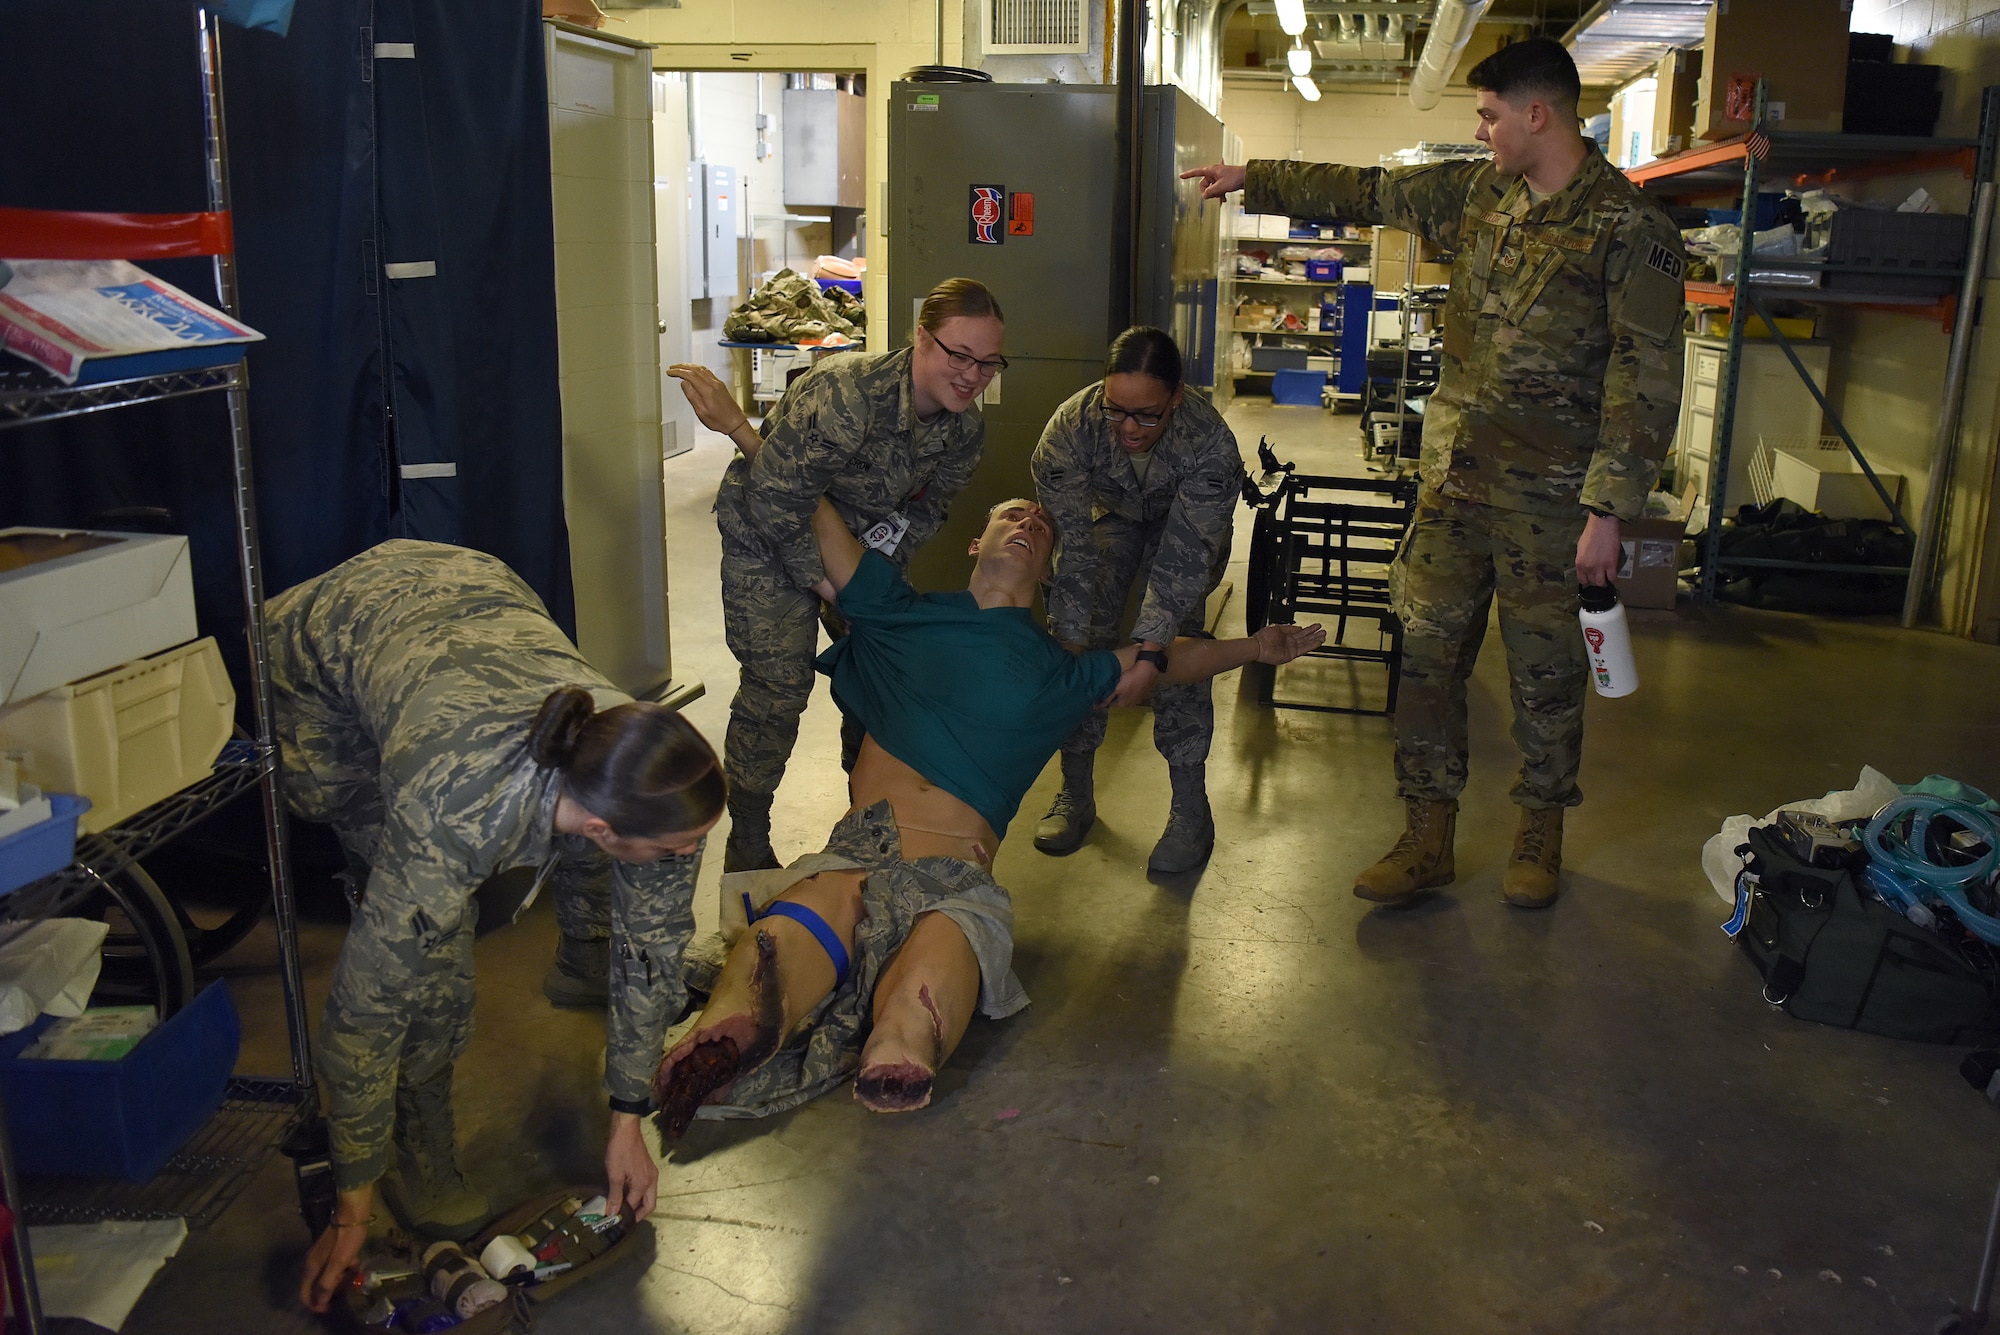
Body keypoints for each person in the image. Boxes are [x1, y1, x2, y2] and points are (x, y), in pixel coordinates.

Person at [1182, 37, 1685, 909]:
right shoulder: (1477, 194)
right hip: (1453, 483)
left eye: (1491, 115)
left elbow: (1646, 376)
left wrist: (1610, 509)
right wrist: (1250, 178)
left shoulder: (1631, 230)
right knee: (1426, 656)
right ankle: (1426, 834)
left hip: (1551, 499)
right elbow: (1366, 191)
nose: (1480, 129)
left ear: (1539, 114)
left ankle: (1539, 829)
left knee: (1546, 671)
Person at [648, 491, 1323, 1132]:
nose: (1029, 520)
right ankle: (723, 1038)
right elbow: (825, 532)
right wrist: (744, 429)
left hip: (955, 879)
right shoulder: (900, 611)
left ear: (1046, 563)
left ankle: (897, 1041)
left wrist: (1254, 647)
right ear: (979, 541)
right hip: (855, 855)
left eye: (1042, 525)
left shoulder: (1057, 669)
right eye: (1012, 513)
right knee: (784, 939)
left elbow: (1168, 659)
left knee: (929, 972)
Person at [275, 541, 724, 1313]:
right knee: (426, 963)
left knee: (632, 906)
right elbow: (361, 1013)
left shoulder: (645, 766)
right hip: (324, 646)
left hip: (471, 588)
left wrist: (628, 1117)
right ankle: (422, 1142)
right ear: (598, 823)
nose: (690, 854)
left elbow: (651, 952)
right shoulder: (455, 810)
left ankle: (575, 954)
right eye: (676, 848)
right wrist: (352, 1206)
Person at [668, 276, 1006, 875]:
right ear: (922, 339)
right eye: (960, 355)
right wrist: (829, 586)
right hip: (766, 538)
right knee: (779, 685)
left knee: (879, 678)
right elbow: (775, 499)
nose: (972, 376)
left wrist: (870, 586)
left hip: (853, 552)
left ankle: (868, 820)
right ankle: (747, 835)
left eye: (987, 363)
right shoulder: (848, 394)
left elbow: (922, 513)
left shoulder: (963, 432)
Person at [1028, 326, 1247, 874]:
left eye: (1146, 415)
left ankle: (1189, 810)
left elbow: (1184, 555)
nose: (1128, 428)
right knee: (1082, 636)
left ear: (1175, 397)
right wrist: (1073, 646)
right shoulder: (1069, 432)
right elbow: (1072, 551)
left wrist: (1150, 655)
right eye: (1115, 410)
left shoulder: (1211, 443)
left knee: (1179, 646)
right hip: (1111, 521)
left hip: (1183, 530)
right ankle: (1075, 791)